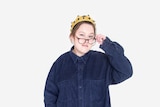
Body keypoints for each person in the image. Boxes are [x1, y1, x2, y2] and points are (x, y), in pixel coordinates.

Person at [44, 15, 133, 107]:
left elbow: (126, 72)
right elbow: (50, 96)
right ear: (72, 37)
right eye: (81, 35)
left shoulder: (102, 62)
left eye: (90, 37)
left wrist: (107, 45)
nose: (86, 40)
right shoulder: (60, 64)